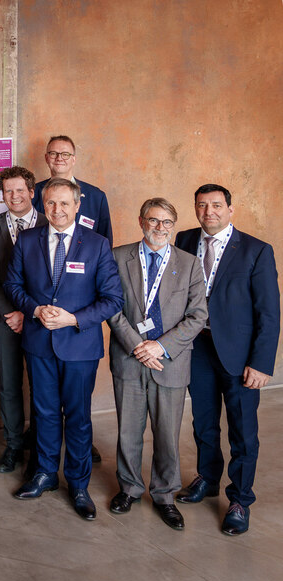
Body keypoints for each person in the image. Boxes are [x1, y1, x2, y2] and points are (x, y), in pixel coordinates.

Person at [4, 177, 123, 521]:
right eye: (51, 203)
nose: (57, 210)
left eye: (64, 204)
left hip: (80, 346)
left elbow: (113, 299)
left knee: (79, 418)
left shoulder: (97, 245)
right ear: (43, 204)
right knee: (42, 414)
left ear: (77, 206)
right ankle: (43, 474)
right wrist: (35, 309)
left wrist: (73, 319)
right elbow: (12, 283)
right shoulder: (27, 240)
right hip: (39, 343)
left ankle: (79, 483)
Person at [174, 183, 279, 536]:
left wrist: (262, 363)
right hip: (197, 348)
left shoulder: (256, 251)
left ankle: (240, 499)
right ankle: (207, 478)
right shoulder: (185, 241)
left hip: (239, 354)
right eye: (202, 205)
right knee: (203, 422)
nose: (209, 212)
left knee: (243, 431)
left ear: (230, 209)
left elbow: (269, 312)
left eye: (217, 205)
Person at [107, 198, 207, 531]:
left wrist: (160, 347)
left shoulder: (190, 264)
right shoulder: (119, 257)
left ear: (173, 225)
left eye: (166, 222)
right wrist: (139, 346)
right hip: (129, 358)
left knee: (167, 434)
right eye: (153, 220)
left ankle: (164, 495)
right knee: (128, 432)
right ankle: (130, 489)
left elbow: (198, 316)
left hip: (171, 362)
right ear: (141, 221)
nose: (159, 228)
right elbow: (110, 306)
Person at [0, 166, 46, 473]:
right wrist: (10, 312)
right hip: (5, 317)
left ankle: (39, 442)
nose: (14, 196)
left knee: (40, 382)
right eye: (8, 191)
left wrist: (28, 311)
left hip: (39, 317)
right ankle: (13, 444)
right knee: (8, 382)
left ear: (32, 192)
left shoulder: (49, 223)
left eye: (20, 190)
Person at [32, 135, 112, 244]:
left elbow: (105, 242)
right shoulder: (32, 194)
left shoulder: (96, 197)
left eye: (65, 154)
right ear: (46, 158)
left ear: (73, 159)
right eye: (53, 153)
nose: (59, 158)